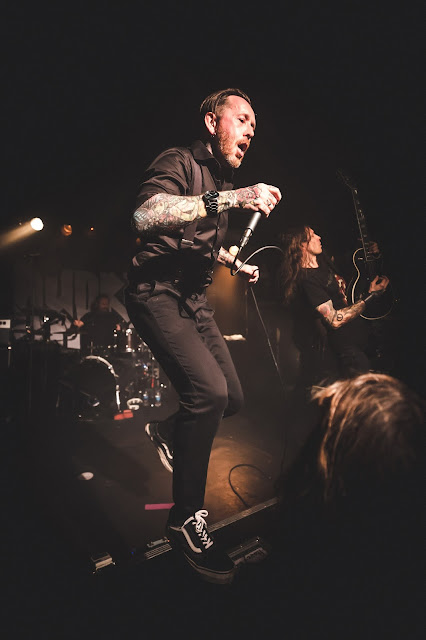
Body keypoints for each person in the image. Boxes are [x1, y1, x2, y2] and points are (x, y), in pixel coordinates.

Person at [124, 88, 282, 584]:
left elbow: (197, 243)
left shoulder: (220, 181)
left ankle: (167, 432)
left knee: (231, 397)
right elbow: (145, 215)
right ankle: (184, 519)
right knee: (207, 393)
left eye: (254, 125)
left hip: (194, 299)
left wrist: (233, 261)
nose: (251, 130)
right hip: (157, 291)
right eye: (242, 119)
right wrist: (236, 197)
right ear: (213, 122)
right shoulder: (179, 161)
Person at [278, 225, 389, 385]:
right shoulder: (307, 280)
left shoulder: (324, 261)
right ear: (301, 244)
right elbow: (334, 320)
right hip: (347, 349)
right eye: (313, 235)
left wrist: (370, 252)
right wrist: (371, 296)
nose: (319, 237)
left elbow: (352, 265)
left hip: (363, 336)